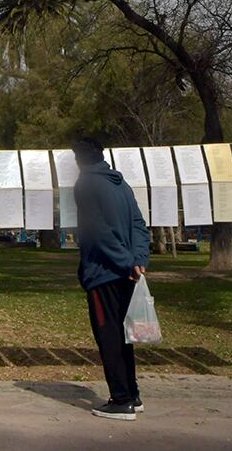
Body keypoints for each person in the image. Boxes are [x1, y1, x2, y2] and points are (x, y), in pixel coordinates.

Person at [73, 136, 149, 421]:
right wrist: (138, 260)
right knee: (124, 335)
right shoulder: (122, 183)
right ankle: (133, 393)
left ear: (79, 159)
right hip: (128, 273)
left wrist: (127, 261)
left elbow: (98, 232)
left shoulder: (85, 185)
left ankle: (121, 399)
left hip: (103, 272)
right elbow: (139, 224)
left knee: (109, 336)